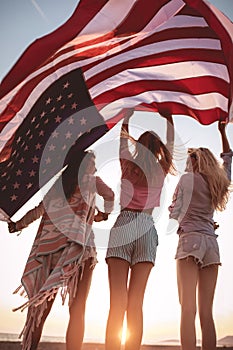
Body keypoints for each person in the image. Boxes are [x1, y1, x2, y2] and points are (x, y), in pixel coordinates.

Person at [8, 150, 114, 350]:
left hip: (50, 251)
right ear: (86, 165)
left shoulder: (59, 186)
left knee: (40, 308)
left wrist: (17, 225)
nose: (96, 168)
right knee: (77, 309)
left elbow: (39, 210)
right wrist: (104, 214)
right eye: (94, 163)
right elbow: (110, 195)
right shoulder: (92, 181)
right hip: (79, 252)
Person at [105, 109, 176, 350]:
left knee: (117, 303)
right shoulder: (161, 168)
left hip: (124, 223)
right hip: (147, 228)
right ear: (158, 149)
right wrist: (170, 120)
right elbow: (172, 146)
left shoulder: (127, 162)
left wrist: (127, 116)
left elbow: (122, 136)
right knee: (136, 304)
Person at [168, 121, 232, 350]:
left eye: (189, 159)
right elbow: (228, 158)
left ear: (195, 161)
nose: (186, 163)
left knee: (187, 309)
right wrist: (223, 131)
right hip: (211, 246)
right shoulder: (218, 182)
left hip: (190, 241)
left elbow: (174, 213)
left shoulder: (186, 179)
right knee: (207, 313)